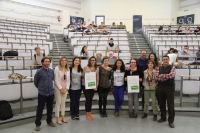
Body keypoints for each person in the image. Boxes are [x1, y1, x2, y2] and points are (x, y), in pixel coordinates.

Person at [34, 57, 55, 131]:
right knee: (40, 109)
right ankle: (37, 124)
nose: (47, 63)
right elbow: (35, 82)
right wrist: (41, 88)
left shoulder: (52, 71)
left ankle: (49, 121)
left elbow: (52, 79)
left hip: (51, 93)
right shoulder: (39, 71)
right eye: (46, 61)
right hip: (42, 94)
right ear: (43, 62)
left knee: (50, 108)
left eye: (48, 61)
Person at [155, 55, 176, 128]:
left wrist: (162, 76)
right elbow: (157, 77)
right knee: (161, 104)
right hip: (161, 87)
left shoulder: (172, 67)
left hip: (169, 88)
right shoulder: (159, 68)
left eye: (166, 59)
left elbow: (171, 76)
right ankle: (163, 117)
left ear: (168, 60)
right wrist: (165, 77)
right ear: (162, 60)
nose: (165, 60)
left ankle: (171, 121)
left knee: (170, 105)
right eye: (164, 59)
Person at [82, 56, 99, 120]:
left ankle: (90, 113)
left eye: (94, 60)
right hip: (85, 85)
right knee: (88, 99)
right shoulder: (85, 67)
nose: (93, 61)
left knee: (91, 99)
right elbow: (82, 76)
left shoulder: (97, 68)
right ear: (89, 61)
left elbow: (97, 78)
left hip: (92, 85)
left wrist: (96, 86)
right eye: (91, 60)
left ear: (95, 61)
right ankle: (87, 114)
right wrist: (84, 73)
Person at [54, 57, 70, 125]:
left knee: (63, 103)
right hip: (58, 88)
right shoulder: (57, 68)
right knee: (58, 103)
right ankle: (57, 118)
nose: (63, 62)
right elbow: (56, 80)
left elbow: (68, 80)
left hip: (65, 89)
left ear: (66, 62)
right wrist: (60, 88)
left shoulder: (68, 69)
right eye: (62, 60)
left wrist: (66, 88)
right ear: (60, 62)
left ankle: (63, 117)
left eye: (65, 60)